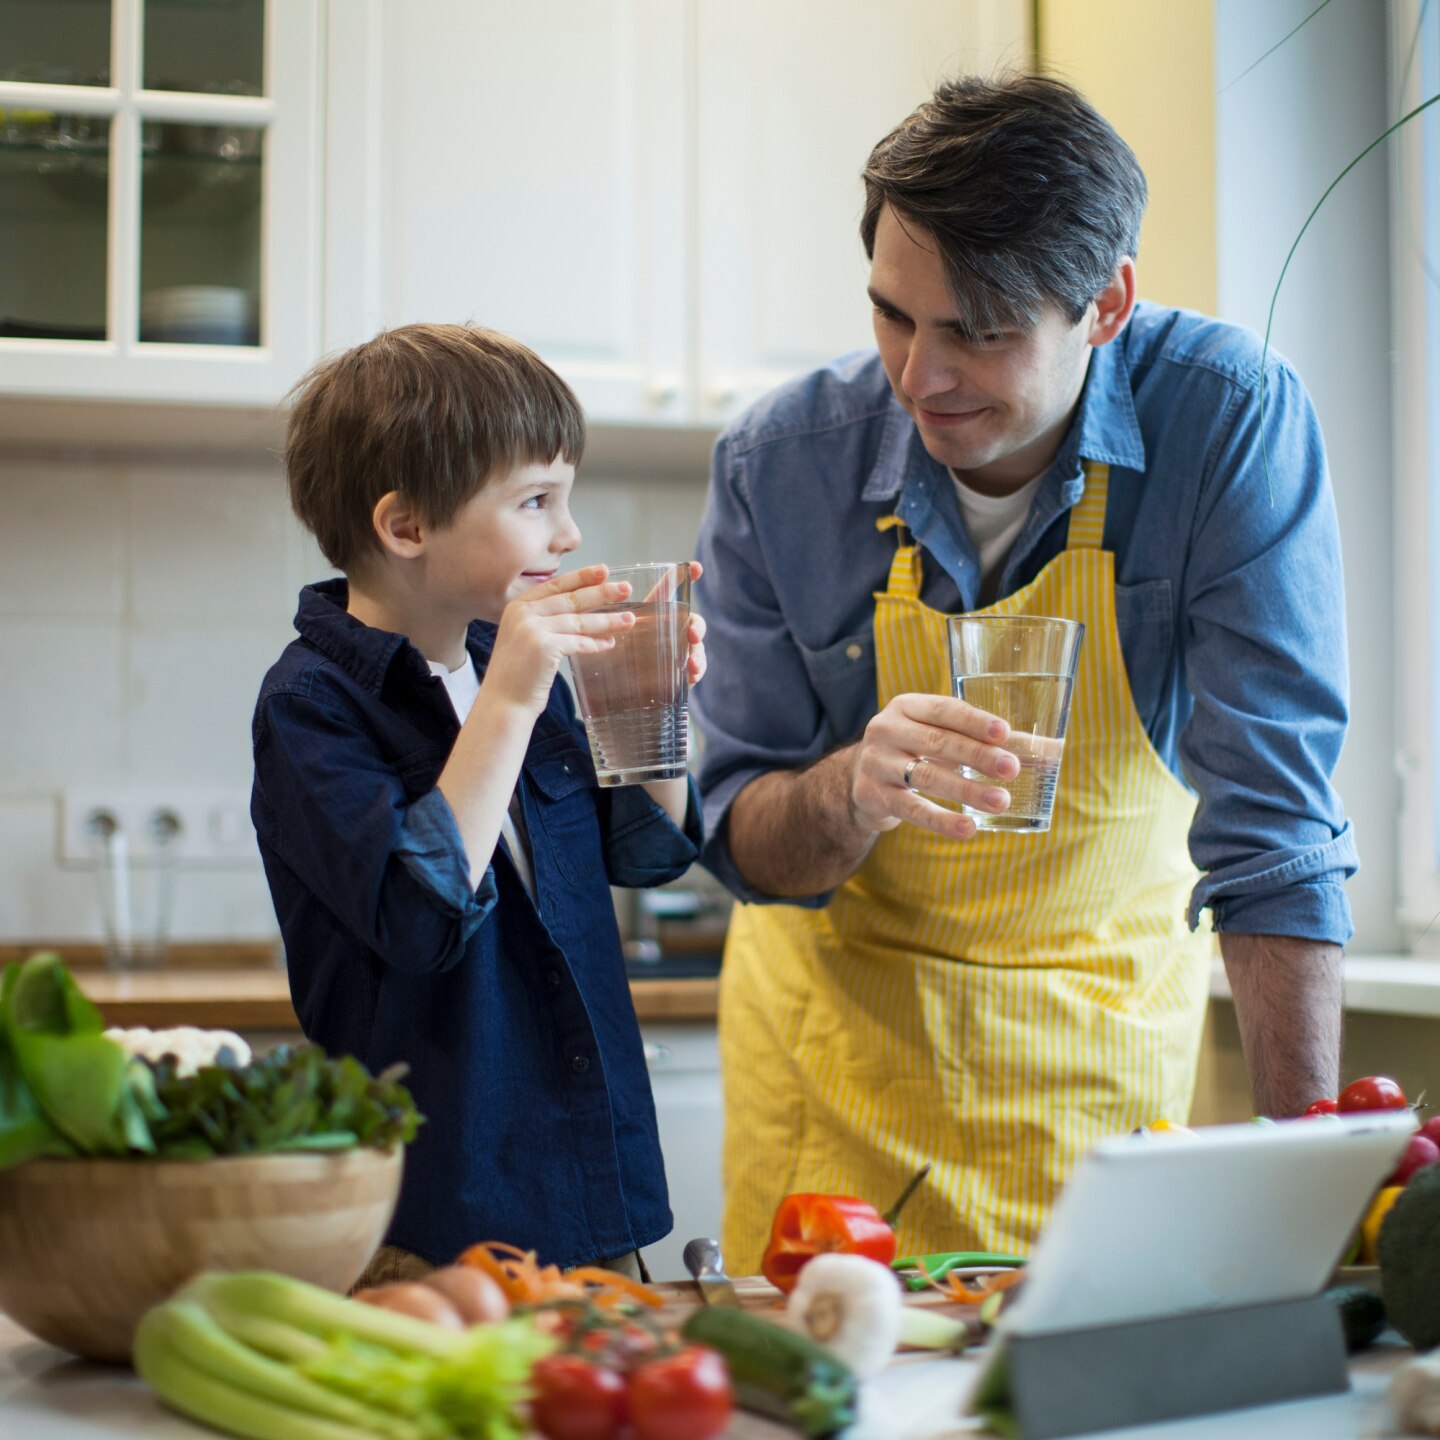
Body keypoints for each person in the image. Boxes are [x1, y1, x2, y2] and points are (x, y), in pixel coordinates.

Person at [692, 74, 1355, 1268]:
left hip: (1096, 1083)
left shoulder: (1226, 423)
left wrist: (1301, 1204)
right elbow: (740, 843)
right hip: (835, 1091)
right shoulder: (777, 466)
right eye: (895, 315)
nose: (917, 377)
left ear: (1106, 304)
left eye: (978, 331)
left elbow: (1277, 837)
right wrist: (850, 791)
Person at [251, 323, 707, 1283]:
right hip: (429, 1225)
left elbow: (649, 852)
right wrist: (511, 701)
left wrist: (653, 703)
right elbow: (418, 914)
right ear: (406, 527)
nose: (569, 533)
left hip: (586, 1192)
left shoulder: (507, 662)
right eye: (536, 500)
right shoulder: (312, 707)